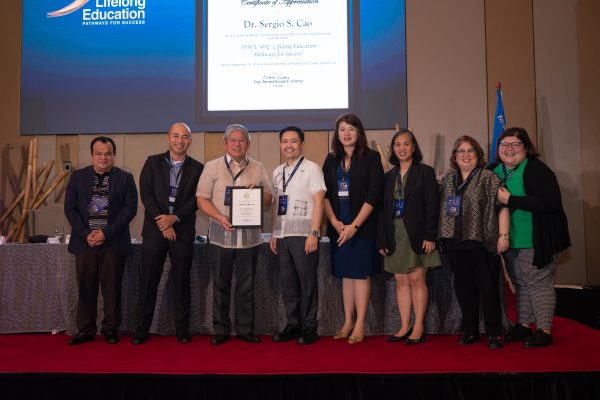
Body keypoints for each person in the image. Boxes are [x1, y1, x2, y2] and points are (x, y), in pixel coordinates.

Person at [492, 127, 570, 348]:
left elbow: (550, 203)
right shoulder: (493, 170)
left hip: (536, 239)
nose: (509, 149)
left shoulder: (537, 170)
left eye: (515, 145)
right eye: (504, 145)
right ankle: (524, 325)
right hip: (509, 240)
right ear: (498, 149)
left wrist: (512, 200)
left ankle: (544, 330)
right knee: (521, 283)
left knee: (538, 283)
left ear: (526, 148)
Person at [196, 124, 273, 345]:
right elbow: (202, 199)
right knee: (221, 286)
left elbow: (269, 199)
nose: (237, 144)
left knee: (246, 287)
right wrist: (220, 217)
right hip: (220, 237)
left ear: (248, 144)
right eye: (233, 140)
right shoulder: (212, 167)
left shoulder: (257, 167)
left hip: (249, 239)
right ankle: (221, 330)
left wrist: (257, 194)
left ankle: (245, 329)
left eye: (242, 140)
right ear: (225, 143)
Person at [132, 123, 204, 345]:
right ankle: (141, 330)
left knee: (182, 282)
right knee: (148, 282)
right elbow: (146, 194)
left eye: (184, 137)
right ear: (168, 138)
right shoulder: (152, 162)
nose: (179, 141)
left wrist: (174, 218)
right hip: (154, 232)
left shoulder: (198, 168)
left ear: (190, 141)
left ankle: (182, 329)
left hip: (182, 232)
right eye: (175, 136)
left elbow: (197, 200)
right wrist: (164, 223)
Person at [64, 136, 138, 345]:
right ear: (92, 155)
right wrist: (86, 233)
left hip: (113, 242)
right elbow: (70, 209)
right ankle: (86, 330)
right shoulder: (78, 177)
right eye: (99, 154)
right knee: (85, 288)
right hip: (85, 242)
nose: (103, 158)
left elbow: (129, 209)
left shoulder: (125, 178)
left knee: (112, 289)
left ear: (114, 155)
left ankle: (110, 329)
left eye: (108, 154)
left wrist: (106, 233)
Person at [438, 135, 509, 349]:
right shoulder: (448, 179)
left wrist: (503, 236)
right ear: (455, 156)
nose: (466, 155)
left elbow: (502, 207)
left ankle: (493, 333)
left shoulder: (488, 177)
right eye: (461, 151)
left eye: (471, 151)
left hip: (482, 241)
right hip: (455, 242)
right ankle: (471, 331)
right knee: (464, 289)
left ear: (478, 155)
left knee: (488, 287)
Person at [322, 113, 384, 344]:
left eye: (351, 129)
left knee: (360, 274)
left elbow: (374, 195)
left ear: (359, 132)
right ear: (337, 135)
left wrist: (355, 226)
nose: (346, 133)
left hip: (362, 228)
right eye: (342, 129)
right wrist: (334, 222)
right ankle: (348, 322)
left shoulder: (371, 158)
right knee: (346, 276)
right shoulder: (331, 160)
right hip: (339, 229)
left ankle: (360, 325)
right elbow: (323, 194)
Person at [377, 129, 441, 345]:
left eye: (406, 144)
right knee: (401, 280)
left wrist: (430, 235)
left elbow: (433, 206)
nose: (402, 148)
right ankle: (404, 326)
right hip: (395, 234)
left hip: (419, 234)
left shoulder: (425, 172)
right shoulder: (388, 177)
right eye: (397, 144)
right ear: (393, 149)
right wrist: (382, 239)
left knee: (416, 279)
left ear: (413, 147)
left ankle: (419, 326)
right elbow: (382, 211)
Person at [270, 126, 326, 345]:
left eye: (293, 141)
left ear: (302, 143)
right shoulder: (277, 171)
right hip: (283, 236)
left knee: (307, 283)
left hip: (304, 235)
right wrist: (274, 233)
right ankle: (293, 325)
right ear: (280, 144)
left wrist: (314, 233)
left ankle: (310, 328)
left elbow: (319, 202)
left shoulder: (312, 169)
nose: (289, 145)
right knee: (288, 284)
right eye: (284, 141)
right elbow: (276, 204)